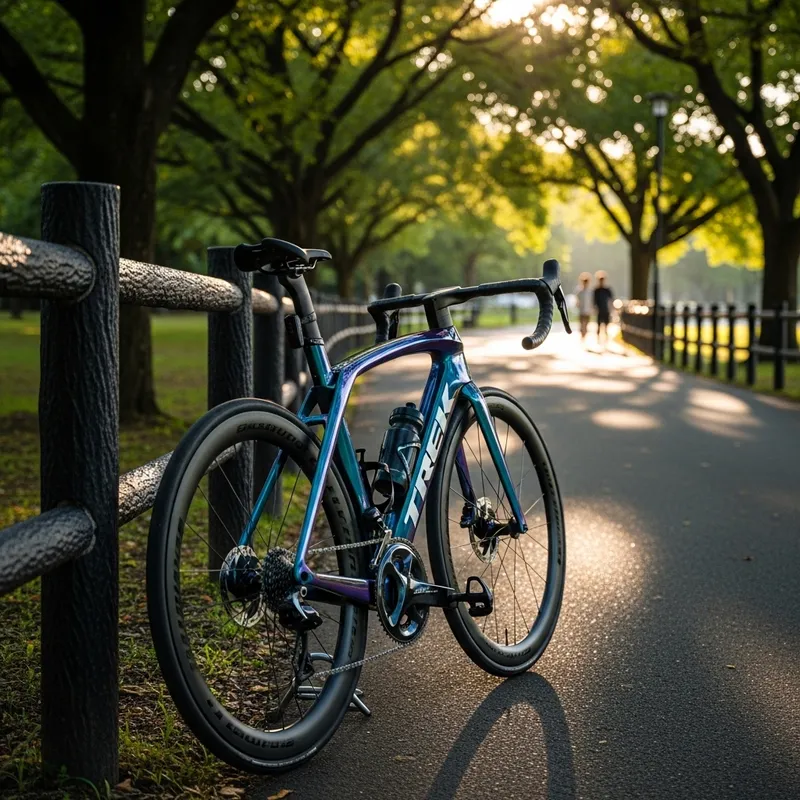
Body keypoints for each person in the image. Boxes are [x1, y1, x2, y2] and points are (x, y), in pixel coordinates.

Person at [593, 271, 614, 347]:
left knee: (606, 325)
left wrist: (611, 309)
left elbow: (611, 300)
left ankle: (606, 339)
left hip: (606, 310)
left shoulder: (607, 290)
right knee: (598, 325)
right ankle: (598, 338)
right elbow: (594, 301)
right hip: (599, 310)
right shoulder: (596, 290)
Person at [576, 272, 593, 341]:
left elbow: (592, 301)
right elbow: (577, 300)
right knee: (581, 324)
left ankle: (584, 334)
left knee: (586, 324)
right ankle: (582, 335)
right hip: (581, 310)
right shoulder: (580, 291)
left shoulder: (590, 291)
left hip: (588, 311)